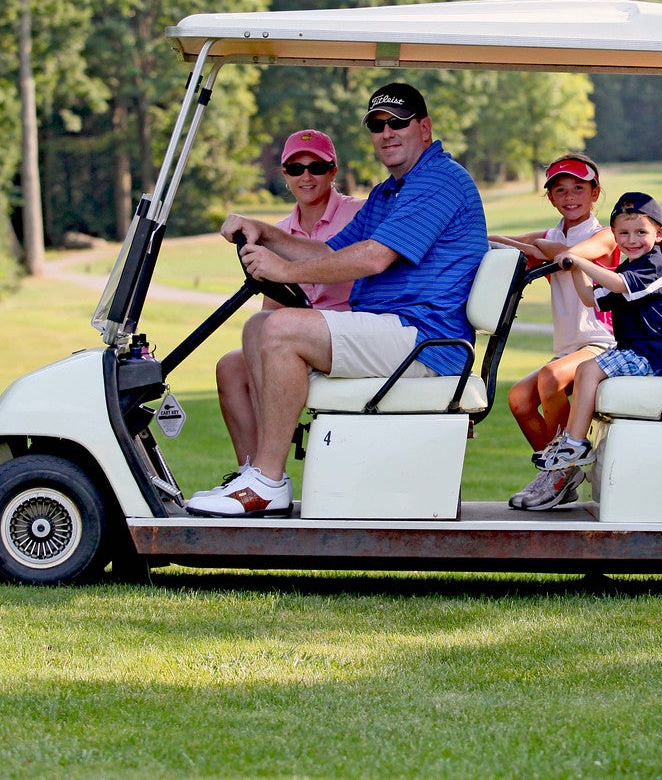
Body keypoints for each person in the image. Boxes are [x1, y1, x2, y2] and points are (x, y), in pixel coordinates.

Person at [186, 82, 488, 517]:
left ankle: (267, 481)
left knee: (279, 328)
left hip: (426, 341)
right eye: (377, 125)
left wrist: (285, 271)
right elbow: (330, 251)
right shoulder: (391, 191)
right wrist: (265, 231)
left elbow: (374, 257)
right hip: (394, 330)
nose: (387, 132)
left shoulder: (439, 179)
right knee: (257, 328)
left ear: (424, 127)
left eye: (397, 123)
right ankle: (260, 475)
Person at [527, 191, 662, 510]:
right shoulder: (630, 267)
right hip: (638, 350)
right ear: (615, 236)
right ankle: (573, 442)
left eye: (641, 232)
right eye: (623, 233)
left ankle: (574, 444)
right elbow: (589, 298)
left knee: (588, 369)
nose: (632, 239)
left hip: (655, 354)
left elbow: (615, 285)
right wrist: (573, 268)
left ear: (659, 234)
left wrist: (580, 259)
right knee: (589, 370)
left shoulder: (653, 266)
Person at [214, 129, 362, 471]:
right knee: (231, 366)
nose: (306, 176)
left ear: (333, 171)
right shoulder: (277, 233)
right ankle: (251, 473)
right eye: (296, 169)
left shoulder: (358, 216)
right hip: (297, 340)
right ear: (284, 174)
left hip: (344, 336)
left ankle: (268, 472)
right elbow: (273, 310)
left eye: (317, 167)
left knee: (268, 330)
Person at [486, 152, 620, 510]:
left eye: (579, 188)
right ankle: (559, 473)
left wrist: (540, 248)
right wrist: (536, 246)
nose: (569, 196)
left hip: (603, 344)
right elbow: (498, 239)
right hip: (569, 349)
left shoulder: (606, 235)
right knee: (519, 398)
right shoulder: (549, 235)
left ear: (595, 193)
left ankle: (562, 470)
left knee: (549, 378)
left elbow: (571, 256)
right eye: (560, 190)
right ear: (550, 197)